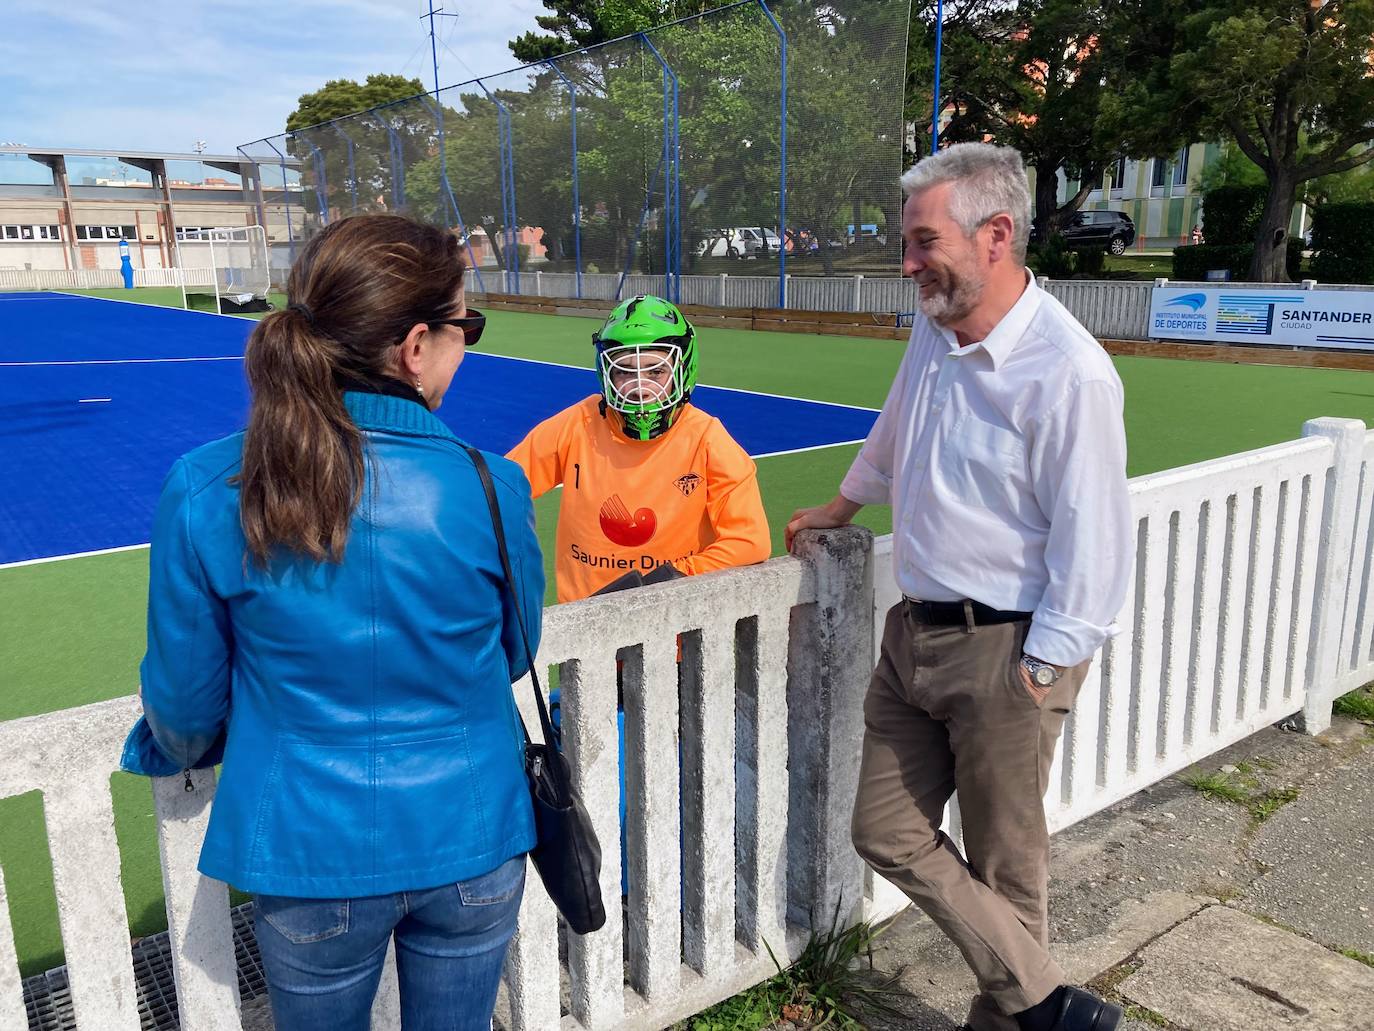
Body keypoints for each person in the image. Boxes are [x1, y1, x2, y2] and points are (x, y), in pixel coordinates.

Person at [120, 214, 543, 1031]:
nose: (468, 345)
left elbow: (182, 704)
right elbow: (518, 649)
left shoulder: (212, 485)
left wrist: (177, 750)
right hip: (475, 834)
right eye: (467, 327)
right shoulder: (491, 485)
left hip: (306, 852)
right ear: (416, 347)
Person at [786, 143, 1132, 1031]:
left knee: (1006, 865)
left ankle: (1008, 1020)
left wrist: (1041, 669)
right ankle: (1051, 1007)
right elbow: (896, 421)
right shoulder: (934, 328)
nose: (907, 265)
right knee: (885, 830)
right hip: (915, 634)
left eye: (922, 242)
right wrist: (843, 501)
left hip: (1008, 647)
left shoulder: (1068, 371)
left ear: (996, 235)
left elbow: (1094, 540)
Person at [507, 293, 770, 604]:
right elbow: (503, 486)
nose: (640, 386)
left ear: (682, 368)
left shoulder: (706, 437)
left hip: (672, 627)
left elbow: (750, 541)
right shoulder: (578, 423)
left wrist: (669, 578)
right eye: (624, 371)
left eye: (656, 371)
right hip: (586, 622)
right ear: (607, 373)